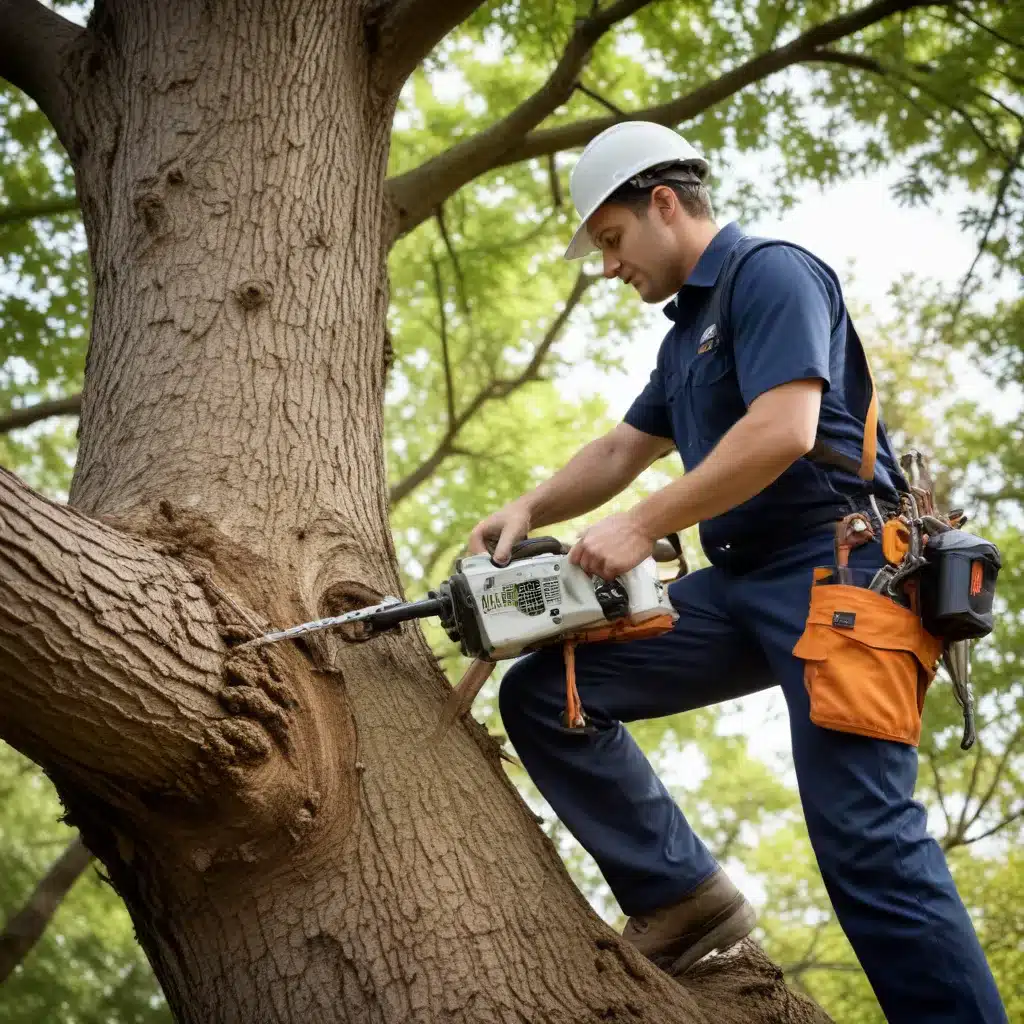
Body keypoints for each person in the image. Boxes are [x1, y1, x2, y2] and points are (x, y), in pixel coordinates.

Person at [467, 121, 1007, 1022]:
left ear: (665, 204)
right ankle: (680, 893)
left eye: (610, 239)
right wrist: (530, 509)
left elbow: (786, 428)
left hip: (840, 578)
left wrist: (642, 524)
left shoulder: (772, 273)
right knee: (548, 690)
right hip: (741, 586)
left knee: (865, 844)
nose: (608, 267)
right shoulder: (685, 338)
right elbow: (619, 447)